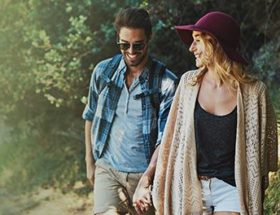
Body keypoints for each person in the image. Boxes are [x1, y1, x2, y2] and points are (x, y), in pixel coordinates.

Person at [148, 11, 278, 214]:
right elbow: (171, 140)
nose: (191, 48)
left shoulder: (254, 92)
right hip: (191, 185)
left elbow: (262, 154)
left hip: (231, 189)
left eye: (197, 41)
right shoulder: (188, 84)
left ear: (214, 43)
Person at [82, 7, 178, 214]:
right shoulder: (103, 72)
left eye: (138, 45)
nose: (131, 52)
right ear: (118, 39)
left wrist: (148, 178)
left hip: (145, 175)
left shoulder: (166, 82)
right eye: (124, 45)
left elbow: (166, 138)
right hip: (107, 168)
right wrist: (90, 164)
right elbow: (90, 116)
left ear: (149, 39)